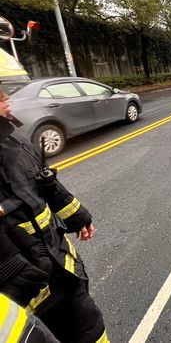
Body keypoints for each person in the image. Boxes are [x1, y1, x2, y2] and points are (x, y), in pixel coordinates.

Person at [0, 90, 108, 342]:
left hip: (61, 268)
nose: (7, 99)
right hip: (20, 293)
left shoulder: (16, 143)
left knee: (91, 330)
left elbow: (45, 184)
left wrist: (78, 217)